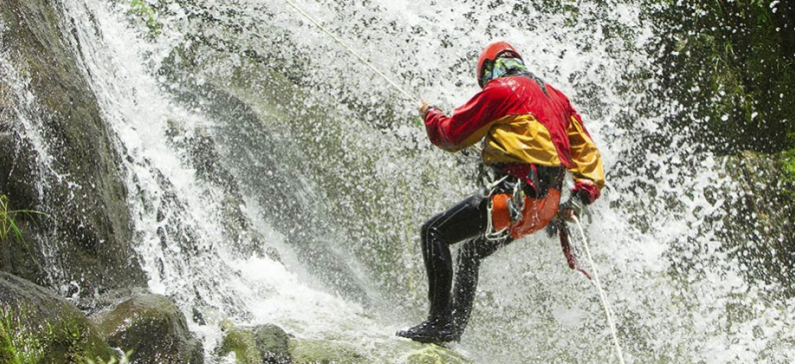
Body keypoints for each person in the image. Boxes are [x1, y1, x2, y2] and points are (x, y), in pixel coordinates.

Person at [396, 41, 605, 344]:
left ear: (488, 70)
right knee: (471, 251)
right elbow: (587, 154)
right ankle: (452, 330)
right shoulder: (558, 98)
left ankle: (440, 323)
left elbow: (451, 135)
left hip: (515, 197)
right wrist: (581, 197)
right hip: (544, 209)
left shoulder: (501, 90)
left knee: (434, 232)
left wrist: (430, 114)